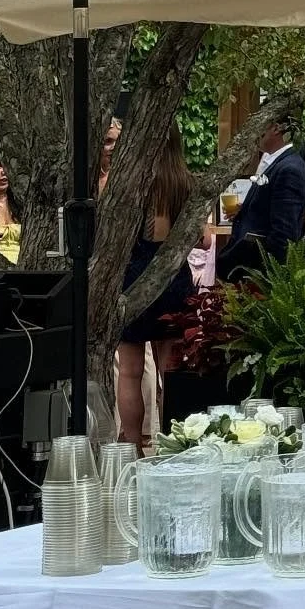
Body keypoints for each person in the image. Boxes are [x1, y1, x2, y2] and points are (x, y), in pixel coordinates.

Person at [117, 122, 196, 449]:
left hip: (133, 277)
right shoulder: (186, 182)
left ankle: (132, 449)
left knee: (130, 372)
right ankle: (173, 449)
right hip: (173, 276)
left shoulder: (130, 181)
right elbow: (202, 239)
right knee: (171, 372)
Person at [217, 114, 305, 280]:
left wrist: (263, 282)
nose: (256, 131)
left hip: (260, 277)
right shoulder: (277, 163)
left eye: (260, 124)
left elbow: (284, 236)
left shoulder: (289, 169)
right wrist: (246, 211)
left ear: (276, 128)